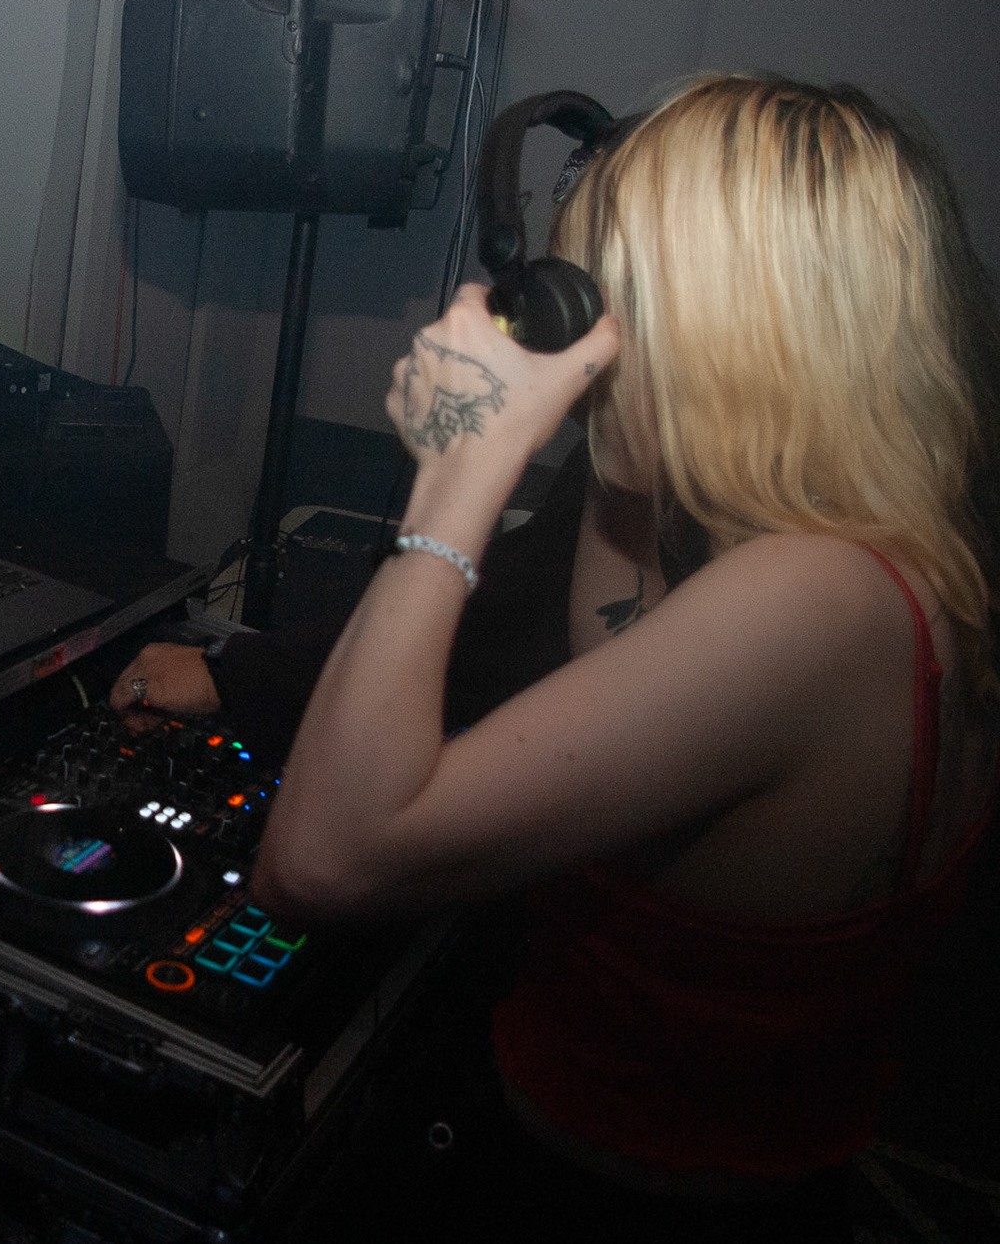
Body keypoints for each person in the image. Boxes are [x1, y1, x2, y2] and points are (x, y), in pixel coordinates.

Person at [113, 75, 998, 1238]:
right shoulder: (892, 564)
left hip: (606, 1203)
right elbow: (591, 653)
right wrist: (586, 429)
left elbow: (319, 860)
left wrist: (459, 476)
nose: (579, 335)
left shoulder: (810, 603)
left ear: (732, 325)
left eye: (604, 296)